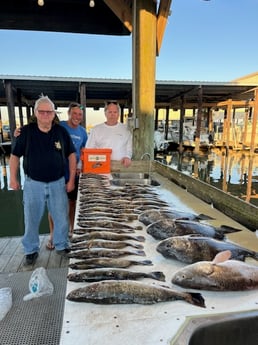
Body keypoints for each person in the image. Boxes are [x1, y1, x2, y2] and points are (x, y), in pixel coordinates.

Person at [9, 95, 77, 265]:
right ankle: (31, 250)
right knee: (31, 218)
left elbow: (71, 155)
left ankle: (61, 245)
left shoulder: (61, 131)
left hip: (58, 182)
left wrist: (71, 180)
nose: (46, 115)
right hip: (34, 184)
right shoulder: (25, 132)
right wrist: (12, 178)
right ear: (36, 113)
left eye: (49, 112)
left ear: (54, 114)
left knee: (61, 216)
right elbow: (14, 156)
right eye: (42, 112)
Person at [47, 102, 87, 248]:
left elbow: (83, 151)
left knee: (72, 203)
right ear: (69, 113)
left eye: (80, 114)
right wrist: (21, 131)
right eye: (74, 113)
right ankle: (52, 234)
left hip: (74, 173)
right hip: (56, 172)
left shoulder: (83, 132)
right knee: (54, 206)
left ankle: (72, 229)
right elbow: (42, 129)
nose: (77, 116)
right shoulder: (60, 126)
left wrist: (80, 166)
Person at [86, 101, 132, 167]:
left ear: (118, 113)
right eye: (110, 112)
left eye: (115, 112)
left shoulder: (126, 129)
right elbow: (89, 149)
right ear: (105, 113)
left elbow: (129, 148)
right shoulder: (95, 130)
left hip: (121, 167)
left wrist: (128, 157)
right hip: (101, 166)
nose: (112, 114)